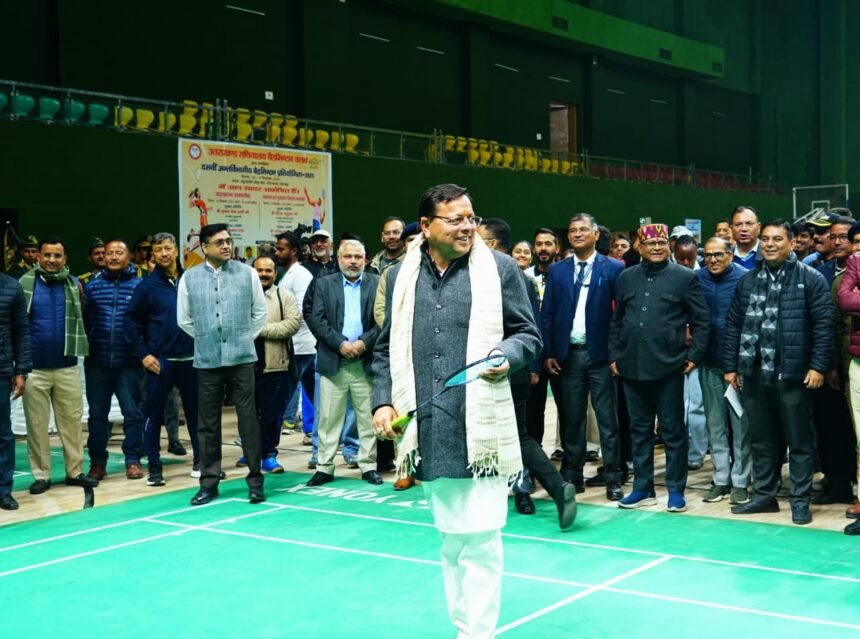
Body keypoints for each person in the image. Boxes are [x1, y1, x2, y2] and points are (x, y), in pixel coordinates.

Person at [372, 184, 541, 638]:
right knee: (450, 542)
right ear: (427, 227)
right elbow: (385, 347)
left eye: (471, 218)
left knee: (482, 541)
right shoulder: (401, 275)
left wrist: (506, 355)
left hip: (480, 428)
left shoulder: (501, 269)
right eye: (456, 219)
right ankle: (463, 626)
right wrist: (383, 400)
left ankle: (476, 633)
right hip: (429, 428)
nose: (467, 227)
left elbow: (528, 334)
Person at [723, 219, 834, 525]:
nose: (770, 244)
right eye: (767, 239)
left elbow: (824, 325)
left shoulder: (810, 279)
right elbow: (734, 325)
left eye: (777, 239)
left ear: (791, 243)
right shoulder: (748, 281)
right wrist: (731, 366)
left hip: (793, 373)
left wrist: (818, 366)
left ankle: (799, 500)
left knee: (798, 441)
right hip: (754, 373)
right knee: (761, 439)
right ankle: (764, 495)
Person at [478, 219, 577, 521]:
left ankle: (529, 490)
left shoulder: (507, 274)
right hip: (504, 368)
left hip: (506, 369)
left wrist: (531, 365)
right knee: (517, 436)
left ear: (491, 244)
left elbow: (530, 327)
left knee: (515, 436)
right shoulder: (499, 273)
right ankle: (548, 489)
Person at [609, 223, 710, 513]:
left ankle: (676, 490)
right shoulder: (626, 277)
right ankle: (643, 488)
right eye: (650, 243)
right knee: (639, 430)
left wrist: (694, 356)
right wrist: (614, 355)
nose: (656, 248)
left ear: (669, 246)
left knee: (672, 431)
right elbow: (618, 320)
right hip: (631, 367)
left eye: (661, 243)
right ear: (639, 247)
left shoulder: (684, 277)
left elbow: (702, 320)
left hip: (669, 367)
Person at [178, 223, 268, 506]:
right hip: (207, 361)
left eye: (229, 241)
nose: (227, 245)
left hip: (242, 360)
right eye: (219, 242)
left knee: (248, 421)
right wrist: (207, 338)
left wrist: (243, 338)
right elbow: (184, 319)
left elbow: (260, 313)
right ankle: (208, 483)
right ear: (205, 247)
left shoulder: (248, 273)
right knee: (207, 424)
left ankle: (255, 481)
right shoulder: (189, 278)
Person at [542, 213, 625, 500]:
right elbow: (548, 313)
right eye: (572, 230)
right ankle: (572, 474)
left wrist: (616, 354)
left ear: (596, 234)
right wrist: (550, 351)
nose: (577, 234)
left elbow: (620, 315)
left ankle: (613, 477)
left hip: (601, 356)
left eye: (583, 229)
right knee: (572, 420)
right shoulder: (558, 271)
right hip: (569, 356)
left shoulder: (614, 268)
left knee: (607, 421)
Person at [19, 236, 97, 494]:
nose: (52, 260)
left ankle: (75, 472)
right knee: (37, 426)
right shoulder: (24, 284)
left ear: (65, 259)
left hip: (67, 366)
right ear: (38, 257)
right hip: (34, 369)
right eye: (47, 255)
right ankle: (41, 476)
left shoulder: (75, 285)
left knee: (72, 422)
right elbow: (17, 326)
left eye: (57, 255)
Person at [126, 232, 201, 486]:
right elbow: (131, 322)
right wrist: (143, 354)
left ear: (177, 251)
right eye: (158, 250)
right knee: (153, 415)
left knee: (197, 415)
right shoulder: (146, 286)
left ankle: (200, 462)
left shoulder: (190, 281)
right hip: (160, 361)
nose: (164, 253)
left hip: (192, 358)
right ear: (153, 255)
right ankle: (155, 468)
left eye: (168, 248)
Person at [306, 240, 381, 485]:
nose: (353, 261)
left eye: (358, 257)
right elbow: (317, 320)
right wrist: (340, 344)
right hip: (333, 360)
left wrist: (363, 342)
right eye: (348, 256)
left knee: (366, 419)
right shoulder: (324, 284)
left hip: (365, 361)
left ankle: (368, 465)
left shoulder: (377, 283)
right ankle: (324, 467)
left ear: (365, 260)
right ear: (338, 259)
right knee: (328, 419)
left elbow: (383, 320)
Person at [82, 239, 145, 481]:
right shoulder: (92, 287)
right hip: (97, 363)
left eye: (119, 253)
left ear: (129, 257)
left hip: (130, 363)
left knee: (132, 414)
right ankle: (97, 463)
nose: (114, 257)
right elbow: (85, 321)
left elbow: (146, 323)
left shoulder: (140, 286)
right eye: (110, 253)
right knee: (97, 416)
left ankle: (133, 460)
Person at [695, 237, 751, 504]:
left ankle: (741, 481)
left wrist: (738, 366)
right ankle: (720, 479)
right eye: (708, 255)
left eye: (718, 254)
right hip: (708, 364)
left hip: (737, 368)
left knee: (741, 427)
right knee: (714, 425)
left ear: (730, 254)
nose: (713, 260)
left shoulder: (745, 279)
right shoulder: (697, 279)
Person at [241, 256, 301, 474]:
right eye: (259, 270)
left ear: (276, 273)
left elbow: (293, 324)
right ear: (252, 272)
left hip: (276, 366)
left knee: (271, 414)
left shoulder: (284, 296)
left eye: (268, 270)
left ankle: (268, 455)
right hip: (244, 366)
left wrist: (259, 329)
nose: (263, 274)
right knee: (247, 414)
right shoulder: (241, 296)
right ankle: (251, 451)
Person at [275, 231, 317, 441]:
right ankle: (322, 432)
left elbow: (302, 309)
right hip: (297, 343)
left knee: (284, 392)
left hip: (300, 343)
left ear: (293, 251)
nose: (277, 252)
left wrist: (280, 327)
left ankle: (264, 435)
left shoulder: (300, 275)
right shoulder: (288, 274)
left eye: (280, 249)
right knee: (314, 391)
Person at [0, 269, 32, 510]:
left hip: (1, 371)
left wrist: (21, 370)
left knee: (2, 434)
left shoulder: (12, 287)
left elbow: (21, 331)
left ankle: (4, 490)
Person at [730, 206, 761, 270]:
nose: (744, 229)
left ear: (759, 228)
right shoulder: (725, 256)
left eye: (749, 224)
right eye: (738, 224)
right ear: (731, 229)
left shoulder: (770, 253)